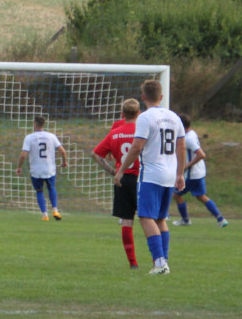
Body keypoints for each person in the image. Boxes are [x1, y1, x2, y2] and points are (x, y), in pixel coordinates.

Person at [115, 80, 185, 276]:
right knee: (161, 218)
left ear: (143, 97)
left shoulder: (145, 118)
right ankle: (164, 261)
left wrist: (121, 170)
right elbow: (181, 147)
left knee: (146, 216)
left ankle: (160, 262)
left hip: (152, 174)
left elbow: (137, 147)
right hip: (170, 174)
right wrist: (180, 173)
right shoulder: (174, 117)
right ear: (161, 97)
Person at [92, 98, 142, 269]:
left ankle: (133, 262)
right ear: (139, 113)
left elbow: (96, 155)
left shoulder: (115, 133)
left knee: (127, 220)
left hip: (122, 179)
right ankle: (158, 259)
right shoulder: (143, 130)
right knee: (149, 218)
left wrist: (112, 171)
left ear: (122, 114)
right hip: (141, 178)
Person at [172, 113, 228, 228]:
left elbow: (201, 154)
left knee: (176, 194)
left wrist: (186, 165)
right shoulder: (192, 133)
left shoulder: (187, 138)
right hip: (199, 172)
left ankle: (185, 220)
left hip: (192, 174)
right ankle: (220, 218)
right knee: (201, 196)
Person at [17, 116, 68, 221]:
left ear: (35, 125)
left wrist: (19, 167)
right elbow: (63, 151)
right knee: (51, 187)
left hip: (36, 170)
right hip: (49, 169)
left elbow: (23, 155)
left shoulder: (29, 137)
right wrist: (64, 162)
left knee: (39, 191)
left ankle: (45, 215)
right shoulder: (51, 136)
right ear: (43, 124)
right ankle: (55, 210)